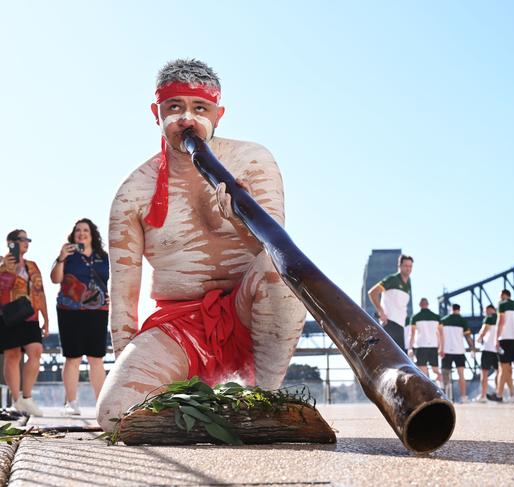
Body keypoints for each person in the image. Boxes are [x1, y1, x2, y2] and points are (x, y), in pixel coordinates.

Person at [96, 59, 306, 431]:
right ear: (155, 113)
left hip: (249, 309)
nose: (186, 119)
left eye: (199, 108)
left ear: (218, 114)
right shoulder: (132, 192)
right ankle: (220, 413)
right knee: (116, 417)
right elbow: (123, 295)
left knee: (280, 269)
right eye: (174, 107)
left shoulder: (253, 160)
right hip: (179, 326)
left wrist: (242, 225)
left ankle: (263, 399)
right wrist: (128, 366)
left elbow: (276, 255)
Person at [50, 219, 109, 415]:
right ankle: (71, 403)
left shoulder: (103, 257)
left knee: (96, 357)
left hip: (98, 310)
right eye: (78, 230)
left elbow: (116, 278)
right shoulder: (67, 255)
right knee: (72, 357)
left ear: (92, 234)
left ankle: (101, 403)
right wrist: (60, 258)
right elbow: (55, 279)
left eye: (85, 230)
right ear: (73, 235)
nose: (81, 233)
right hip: (70, 310)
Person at [0, 229, 48, 416]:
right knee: (12, 355)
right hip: (8, 316)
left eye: (28, 239)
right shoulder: (2, 266)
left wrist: (46, 317)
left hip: (30, 316)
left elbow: (40, 292)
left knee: (35, 350)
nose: (26, 242)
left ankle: (27, 397)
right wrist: (8, 271)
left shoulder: (32, 266)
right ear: (11, 242)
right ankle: (16, 399)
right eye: (22, 239)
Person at [488, 289, 514, 404]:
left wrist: (496, 339)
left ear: (503, 295)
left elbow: (501, 321)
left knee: (503, 368)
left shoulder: (502, 304)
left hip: (505, 339)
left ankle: (499, 395)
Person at [368, 254, 413, 352]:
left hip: (401, 327)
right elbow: (372, 292)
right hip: (389, 324)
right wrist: (380, 311)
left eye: (410, 266)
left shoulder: (408, 284)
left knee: (401, 360)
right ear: (399, 266)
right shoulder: (392, 279)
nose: (408, 269)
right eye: (406, 266)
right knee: (390, 357)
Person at [439, 304, 474, 403]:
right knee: (461, 374)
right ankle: (463, 397)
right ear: (459, 309)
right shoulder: (463, 321)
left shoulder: (443, 320)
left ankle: (445, 396)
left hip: (446, 350)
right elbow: (468, 337)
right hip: (459, 351)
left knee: (446, 374)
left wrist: (440, 348)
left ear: (451, 309)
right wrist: (472, 348)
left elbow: (439, 334)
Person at [409, 298, 442, 383]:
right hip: (433, 346)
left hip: (420, 346)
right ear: (428, 304)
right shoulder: (437, 317)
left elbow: (412, 334)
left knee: (423, 371)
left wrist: (409, 348)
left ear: (420, 305)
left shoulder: (415, 317)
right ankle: (441, 386)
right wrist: (441, 347)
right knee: (436, 370)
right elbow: (441, 334)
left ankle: (427, 386)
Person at [475, 304, 499, 403]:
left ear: (490, 309)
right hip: (498, 349)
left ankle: (483, 395)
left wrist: (479, 338)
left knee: (484, 372)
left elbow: (484, 331)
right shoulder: (500, 318)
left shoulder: (488, 318)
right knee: (499, 371)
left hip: (487, 348)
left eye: (485, 310)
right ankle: (498, 393)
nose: (485, 313)